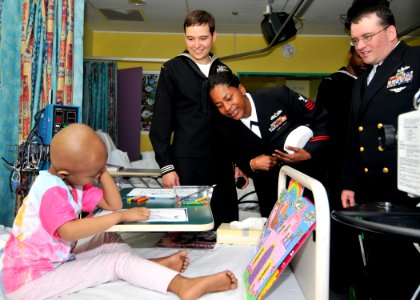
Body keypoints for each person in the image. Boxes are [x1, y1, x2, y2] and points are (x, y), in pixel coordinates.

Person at [1, 123, 238, 300]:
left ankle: (149, 267)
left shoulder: (73, 183)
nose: (95, 178)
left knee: (108, 238)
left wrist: (101, 172)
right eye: (92, 175)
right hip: (30, 281)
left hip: (55, 259)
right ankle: (183, 286)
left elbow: (113, 204)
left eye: (98, 172)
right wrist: (119, 217)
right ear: (65, 172)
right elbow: (68, 231)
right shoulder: (51, 191)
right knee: (115, 262)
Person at [341, 5, 420, 299]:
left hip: (406, 191)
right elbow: (354, 135)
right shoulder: (362, 80)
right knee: (378, 262)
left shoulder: (415, 61)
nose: (360, 46)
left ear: (390, 32)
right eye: (354, 40)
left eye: (366, 37)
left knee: (404, 267)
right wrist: (350, 181)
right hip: (370, 190)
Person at [149, 10, 244, 228]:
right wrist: (167, 167)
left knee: (225, 224)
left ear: (214, 36)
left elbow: (234, 121)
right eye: (190, 38)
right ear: (184, 37)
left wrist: (240, 161)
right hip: (186, 163)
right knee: (187, 226)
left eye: (203, 38)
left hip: (221, 163)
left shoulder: (224, 71)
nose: (197, 45)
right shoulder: (172, 69)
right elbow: (161, 122)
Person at [207, 71, 329, 217]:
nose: (227, 108)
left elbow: (323, 120)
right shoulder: (223, 126)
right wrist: (251, 164)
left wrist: (309, 151)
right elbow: (235, 157)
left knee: (316, 237)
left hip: (307, 185)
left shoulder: (278, 96)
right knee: (275, 239)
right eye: (219, 105)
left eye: (229, 98)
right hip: (271, 197)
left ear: (241, 89)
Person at [315, 46, 368, 295]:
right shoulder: (333, 84)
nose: (363, 59)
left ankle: (363, 280)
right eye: (359, 53)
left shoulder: (372, 82)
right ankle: (338, 283)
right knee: (340, 228)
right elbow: (325, 127)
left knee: (366, 228)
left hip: (364, 170)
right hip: (336, 168)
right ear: (349, 54)